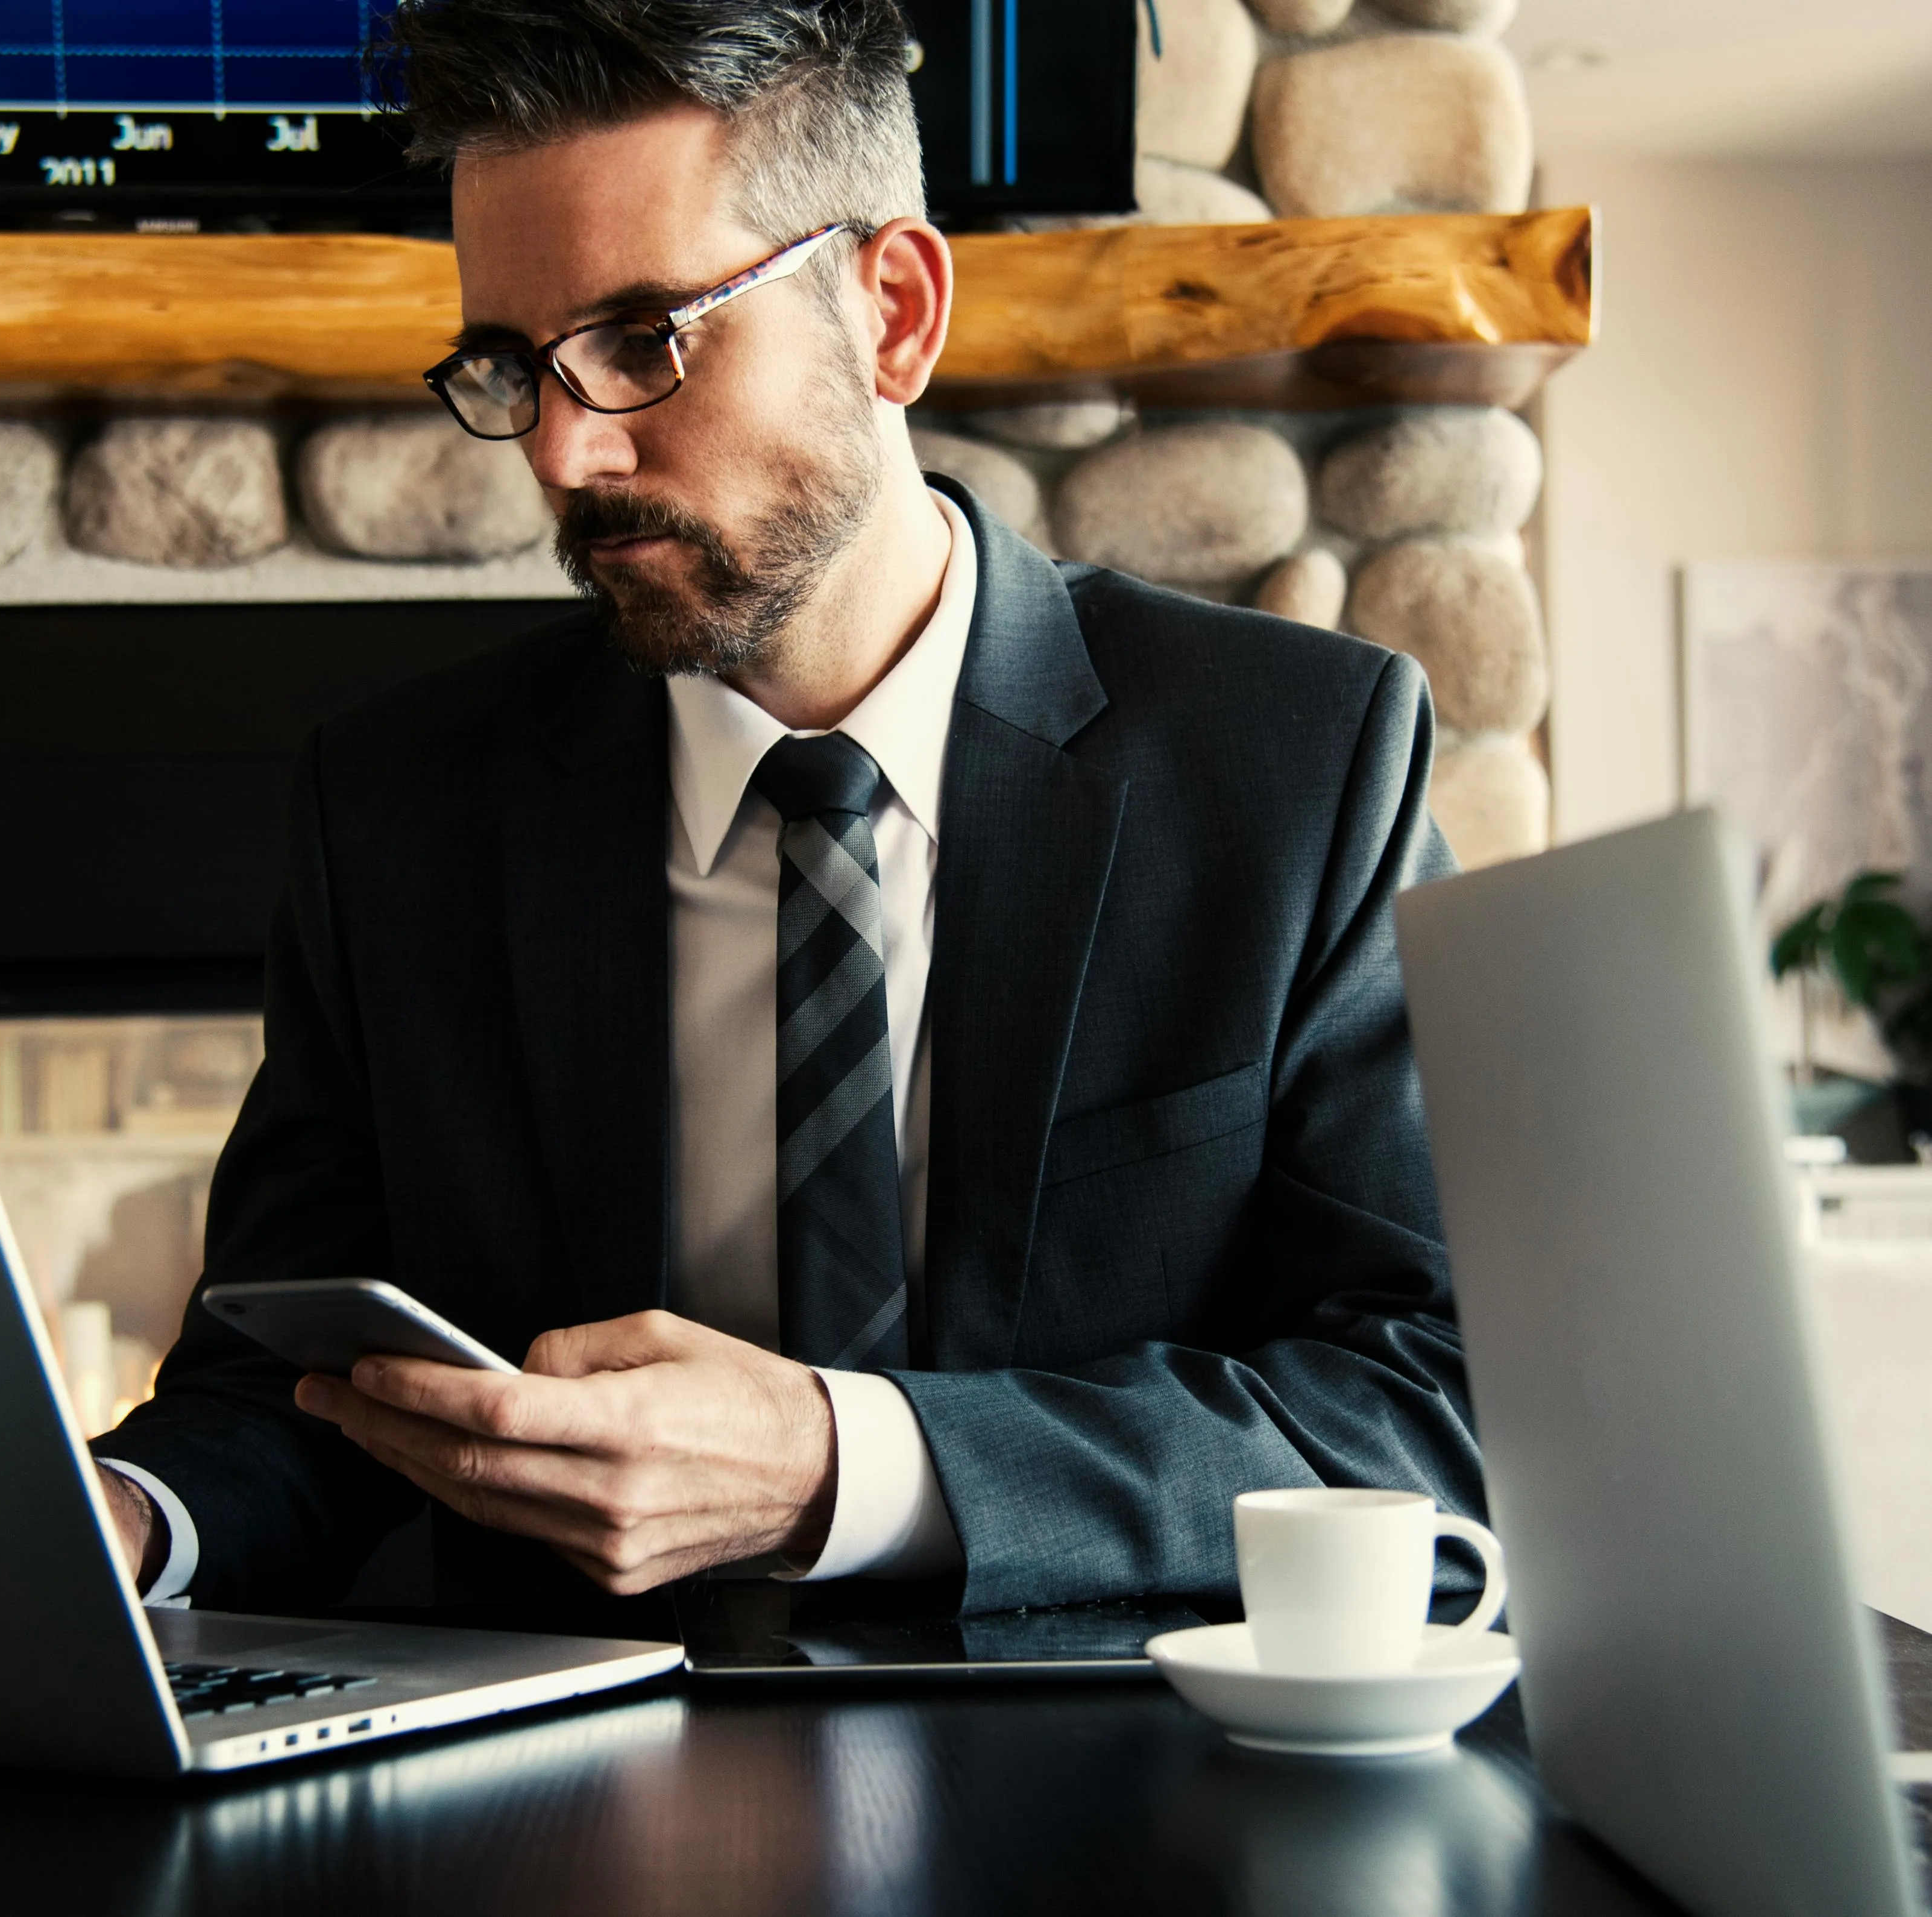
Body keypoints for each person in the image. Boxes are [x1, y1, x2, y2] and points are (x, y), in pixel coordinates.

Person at [90, 0, 1477, 1619]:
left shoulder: (1297, 763)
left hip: (1115, 1782)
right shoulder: (396, 811)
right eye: (507, 364)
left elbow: (1428, 1403)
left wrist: (843, 1463)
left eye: (643, 340)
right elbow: (294, 1393)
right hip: (569, 1807)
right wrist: (119, 1516)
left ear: (890, 312)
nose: (563, 446)